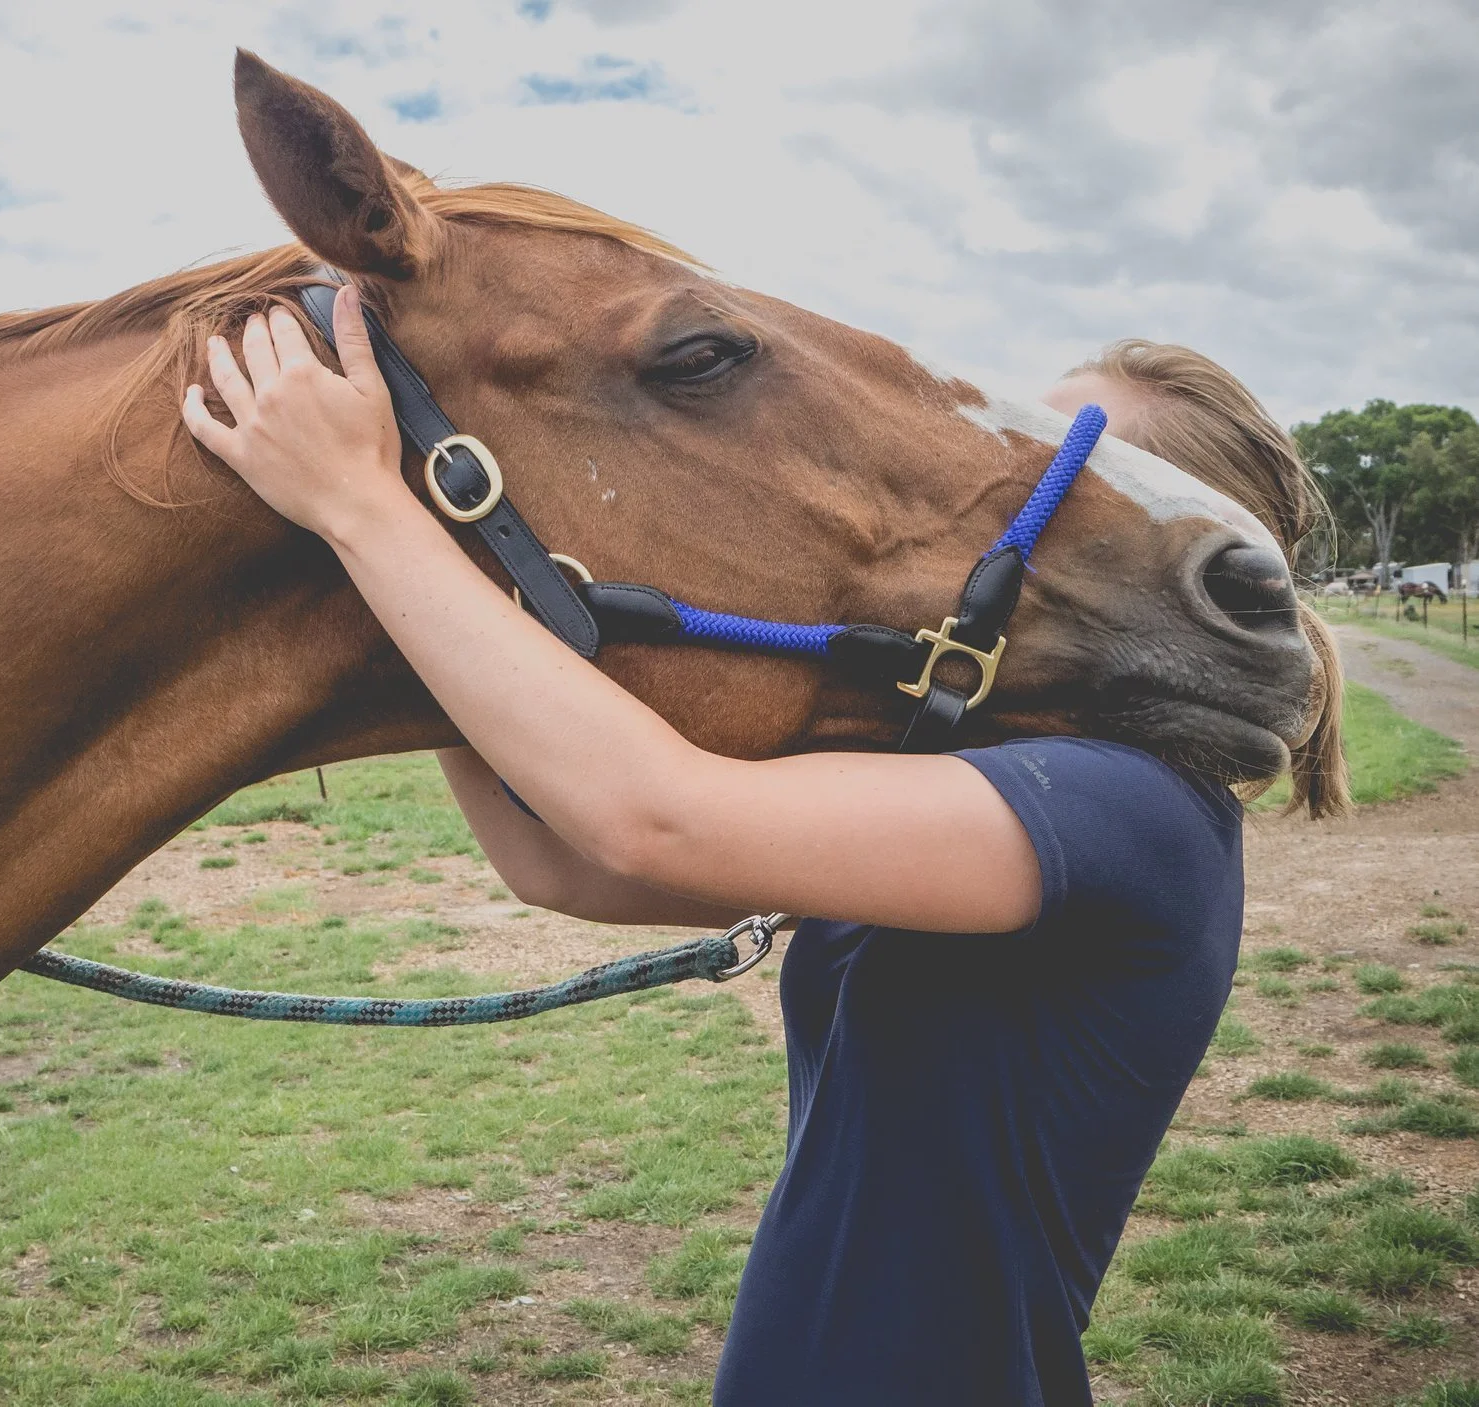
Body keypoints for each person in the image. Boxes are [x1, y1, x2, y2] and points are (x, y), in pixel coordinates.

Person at [177, 295, 1343, 1406]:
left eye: (1062, 474)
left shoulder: (1127, 811)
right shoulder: (991, 784)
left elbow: (656, 814)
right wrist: (443, 572)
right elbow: (573, 870)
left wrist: (364, 508)